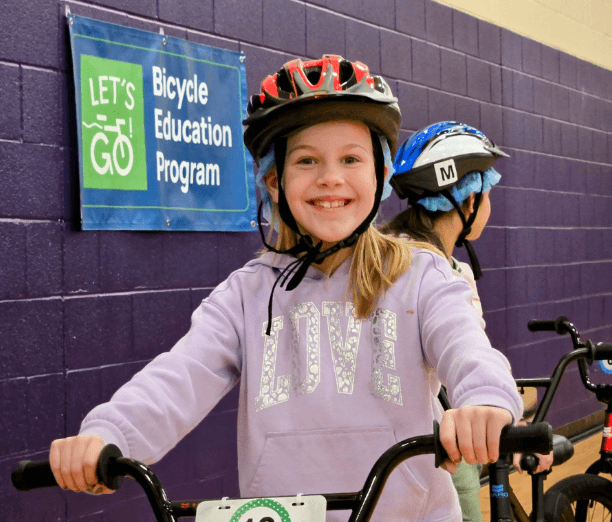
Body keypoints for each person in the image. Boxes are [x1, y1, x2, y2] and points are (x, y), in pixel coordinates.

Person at [49, 57, 523, 522]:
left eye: (351, 158)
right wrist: (110, 432)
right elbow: (179, 375)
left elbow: (466, 345)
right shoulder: (246, 294)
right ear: (275, 182)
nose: (330, 177)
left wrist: (483, 397)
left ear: (379, 174)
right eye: (307, 160)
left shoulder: (421, 276)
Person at [381, 121, 553, 521]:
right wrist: (518, 427)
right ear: (469, 200)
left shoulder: (385, 258)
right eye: (488, 192)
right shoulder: (443, 273)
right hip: (433, 456)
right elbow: (466, 361)